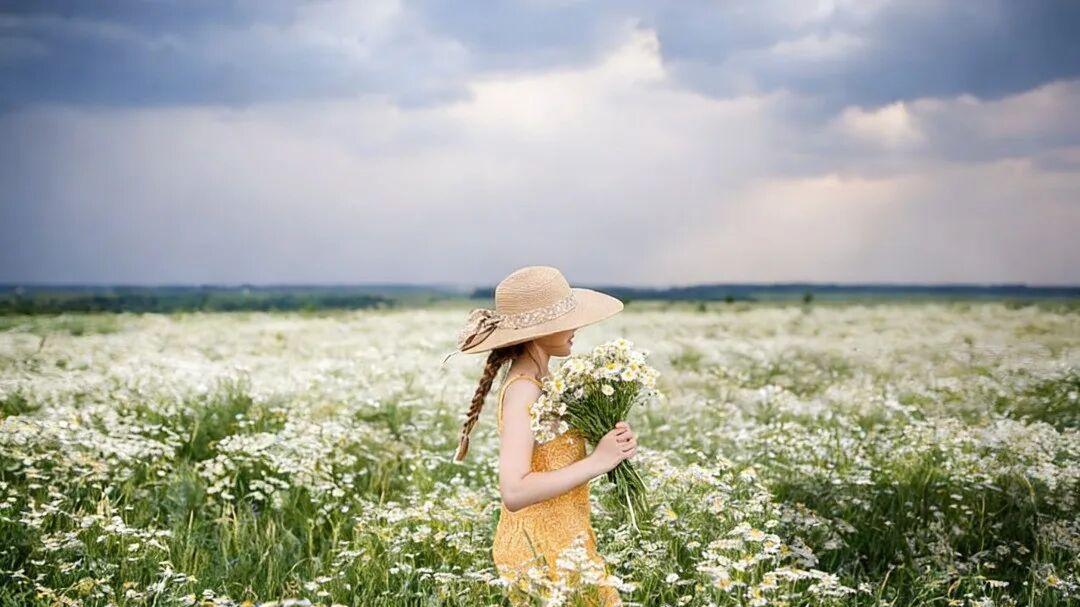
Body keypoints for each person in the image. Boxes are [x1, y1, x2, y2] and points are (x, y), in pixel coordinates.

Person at [443, 265, 635, 607]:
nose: (576, 327)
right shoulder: (524, 391)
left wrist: (611, 439)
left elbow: (554, 454)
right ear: (538, 331)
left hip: (568, 538)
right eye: (566, 321)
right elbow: (514, 491)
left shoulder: (547, 380)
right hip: (538, 550)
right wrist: (598, 461)